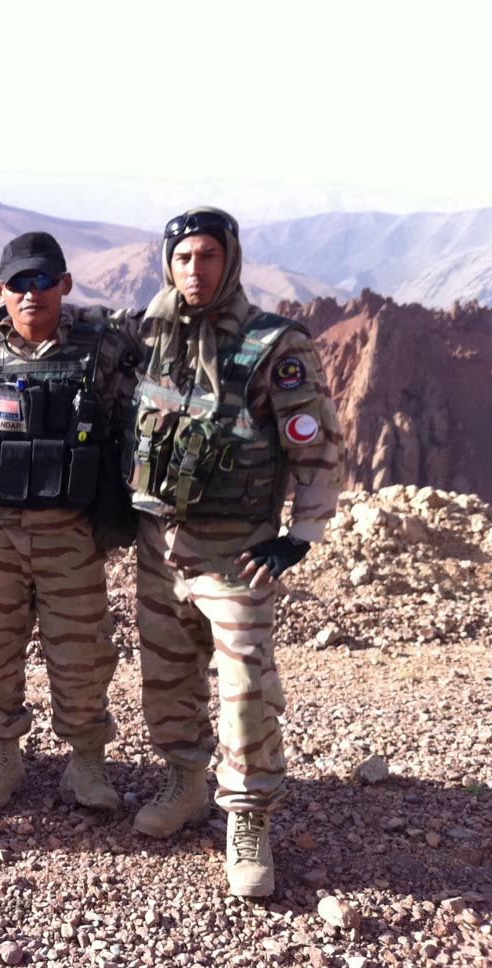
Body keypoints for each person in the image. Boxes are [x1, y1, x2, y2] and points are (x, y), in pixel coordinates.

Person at [125, 207, 343, 896]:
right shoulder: (149, 336)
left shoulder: (274, 345)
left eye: (209, 256)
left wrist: (299, 537)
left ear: (231, 260)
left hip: (236, 552)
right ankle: (185, 781)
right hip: (159, 546)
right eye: (184, 257)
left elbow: (316, 445)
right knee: (166, 678)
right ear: (168, 264)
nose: (196, 270)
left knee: (245, 689)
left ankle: (248, 818)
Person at [0, 232, 140, 810]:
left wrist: (121, 516)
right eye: (20, 283)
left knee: (82, 656)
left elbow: (132, 428)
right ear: (1, 290)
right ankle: (2, 754)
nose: (33, 293)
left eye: (45, 280)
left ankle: (87, 761)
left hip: (69, 534)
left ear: (65, 284)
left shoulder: (100, 350)